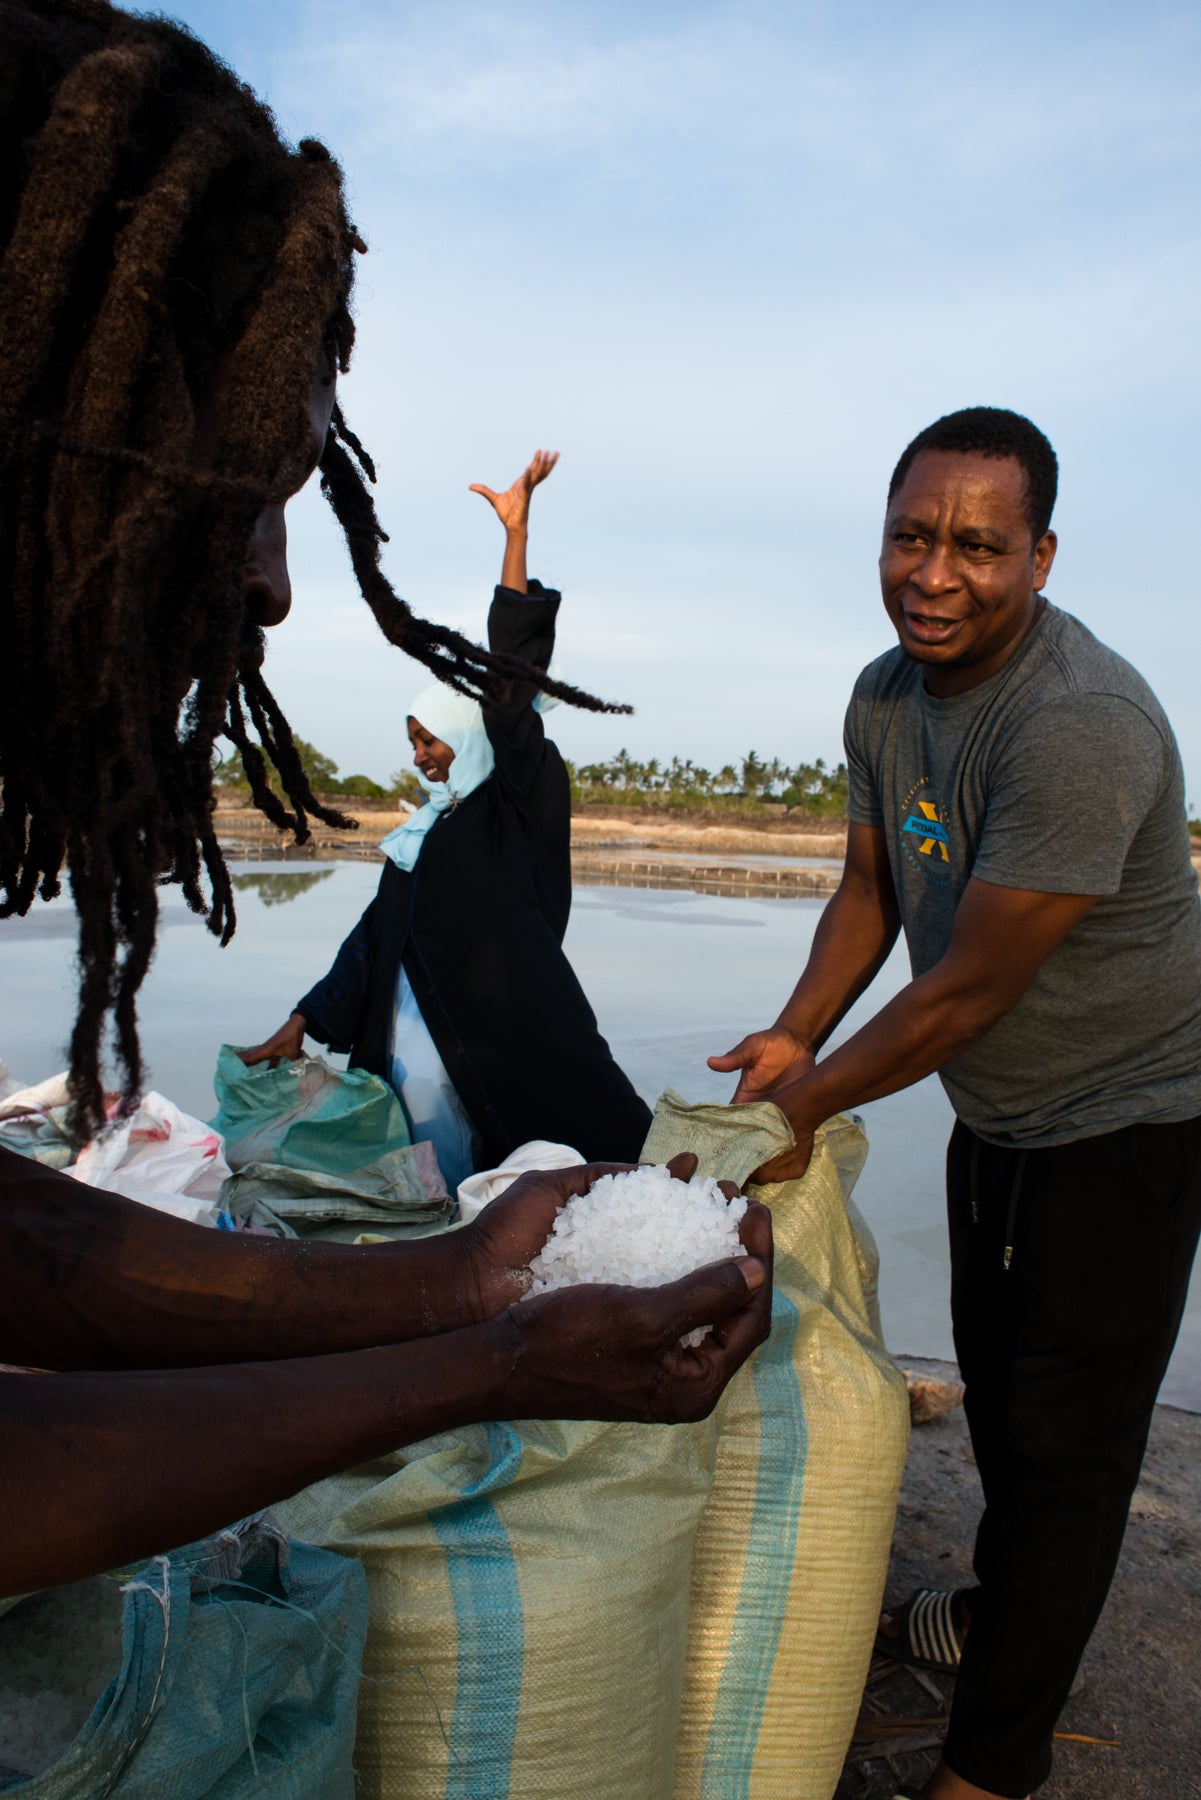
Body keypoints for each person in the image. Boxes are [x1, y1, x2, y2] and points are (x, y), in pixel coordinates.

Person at [0, 0, 772, 1602]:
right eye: (239, 487)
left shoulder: (507, 798)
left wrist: (458, 1286)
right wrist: (479, 1353)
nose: (278, 591)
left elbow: (25, 1247)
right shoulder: (419, 845)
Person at [708, 406, 1201, 1800]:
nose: (934, 573)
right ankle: (1000, 1613)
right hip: (998, 1117)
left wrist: (803, 1107)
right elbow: (872, 892)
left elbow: (964, 988)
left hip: (1134, 1121)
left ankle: (992, 1764)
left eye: (976, 547)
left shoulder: (1080, 723)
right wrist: (789, 1038)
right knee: (997, 1401)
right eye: (911, 537)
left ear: (1039, 557)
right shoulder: (883, 694)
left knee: (1071, 1451)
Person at [242, 451, 652, 1186]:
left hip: (504, 1046)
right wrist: (304, 1020)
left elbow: (506, 691)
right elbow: (376, 936)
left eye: (430, 739)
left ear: (464, 733)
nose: (421, 757)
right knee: (431, 1198)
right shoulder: (427, 830)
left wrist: (515, 541)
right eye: (412, 743)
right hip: (407, 1040)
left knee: (538, 1184)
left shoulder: (517, 802)